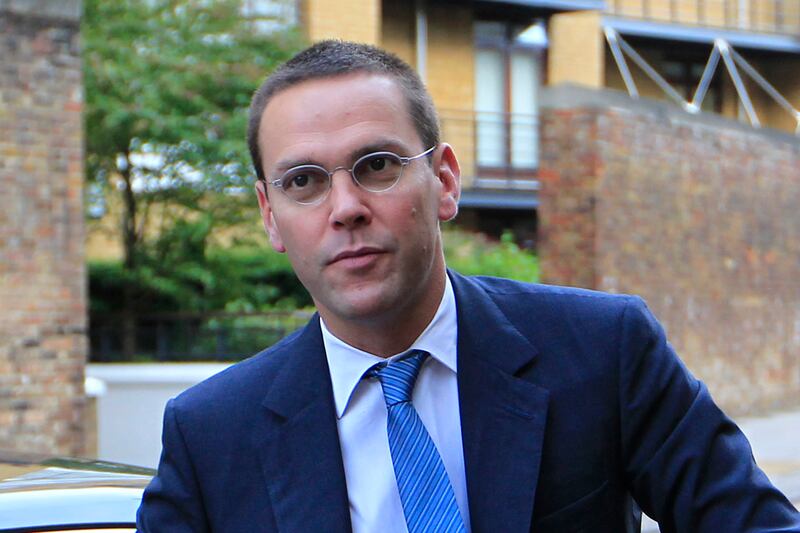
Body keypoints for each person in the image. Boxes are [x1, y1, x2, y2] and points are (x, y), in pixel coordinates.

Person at [137, 40, 800, 532]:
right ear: (269, 214)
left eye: (377, 165)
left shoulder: (605, 351)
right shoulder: (210, 435)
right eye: (303, 181)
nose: (345, 208)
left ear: (445, 181)